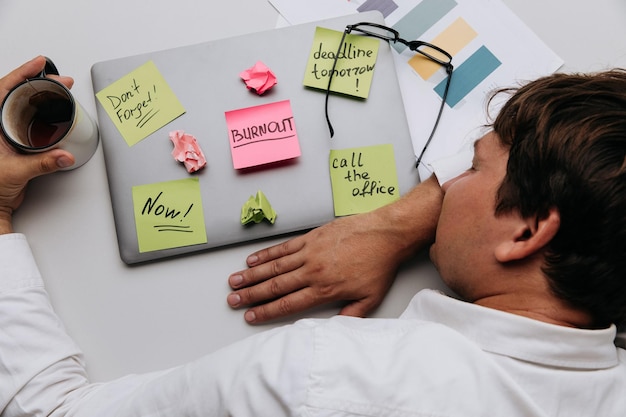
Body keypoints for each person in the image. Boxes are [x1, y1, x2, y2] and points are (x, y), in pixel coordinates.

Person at [1, 56, 625, 416]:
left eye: (474, 167)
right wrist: (401, 220)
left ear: (528, 232)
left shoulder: (331, 375)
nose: (449, 176)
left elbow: (51, 411)